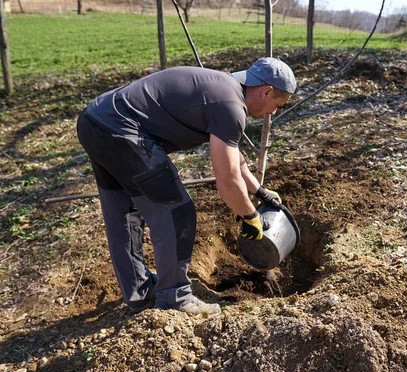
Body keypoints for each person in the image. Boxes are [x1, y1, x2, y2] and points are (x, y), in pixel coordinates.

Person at [76, 58, 296, 315]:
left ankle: (139, 294)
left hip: (95, 121)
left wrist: (258, 191)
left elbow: (234, 159)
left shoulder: (222, 87)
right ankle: (175, 297)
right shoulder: (232, 107)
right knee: (177, 211)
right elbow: (227, 181)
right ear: (266, 91)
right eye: (277, 105)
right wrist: (250, 215)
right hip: (123, 133)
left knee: (123, 213)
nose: (273, 112)